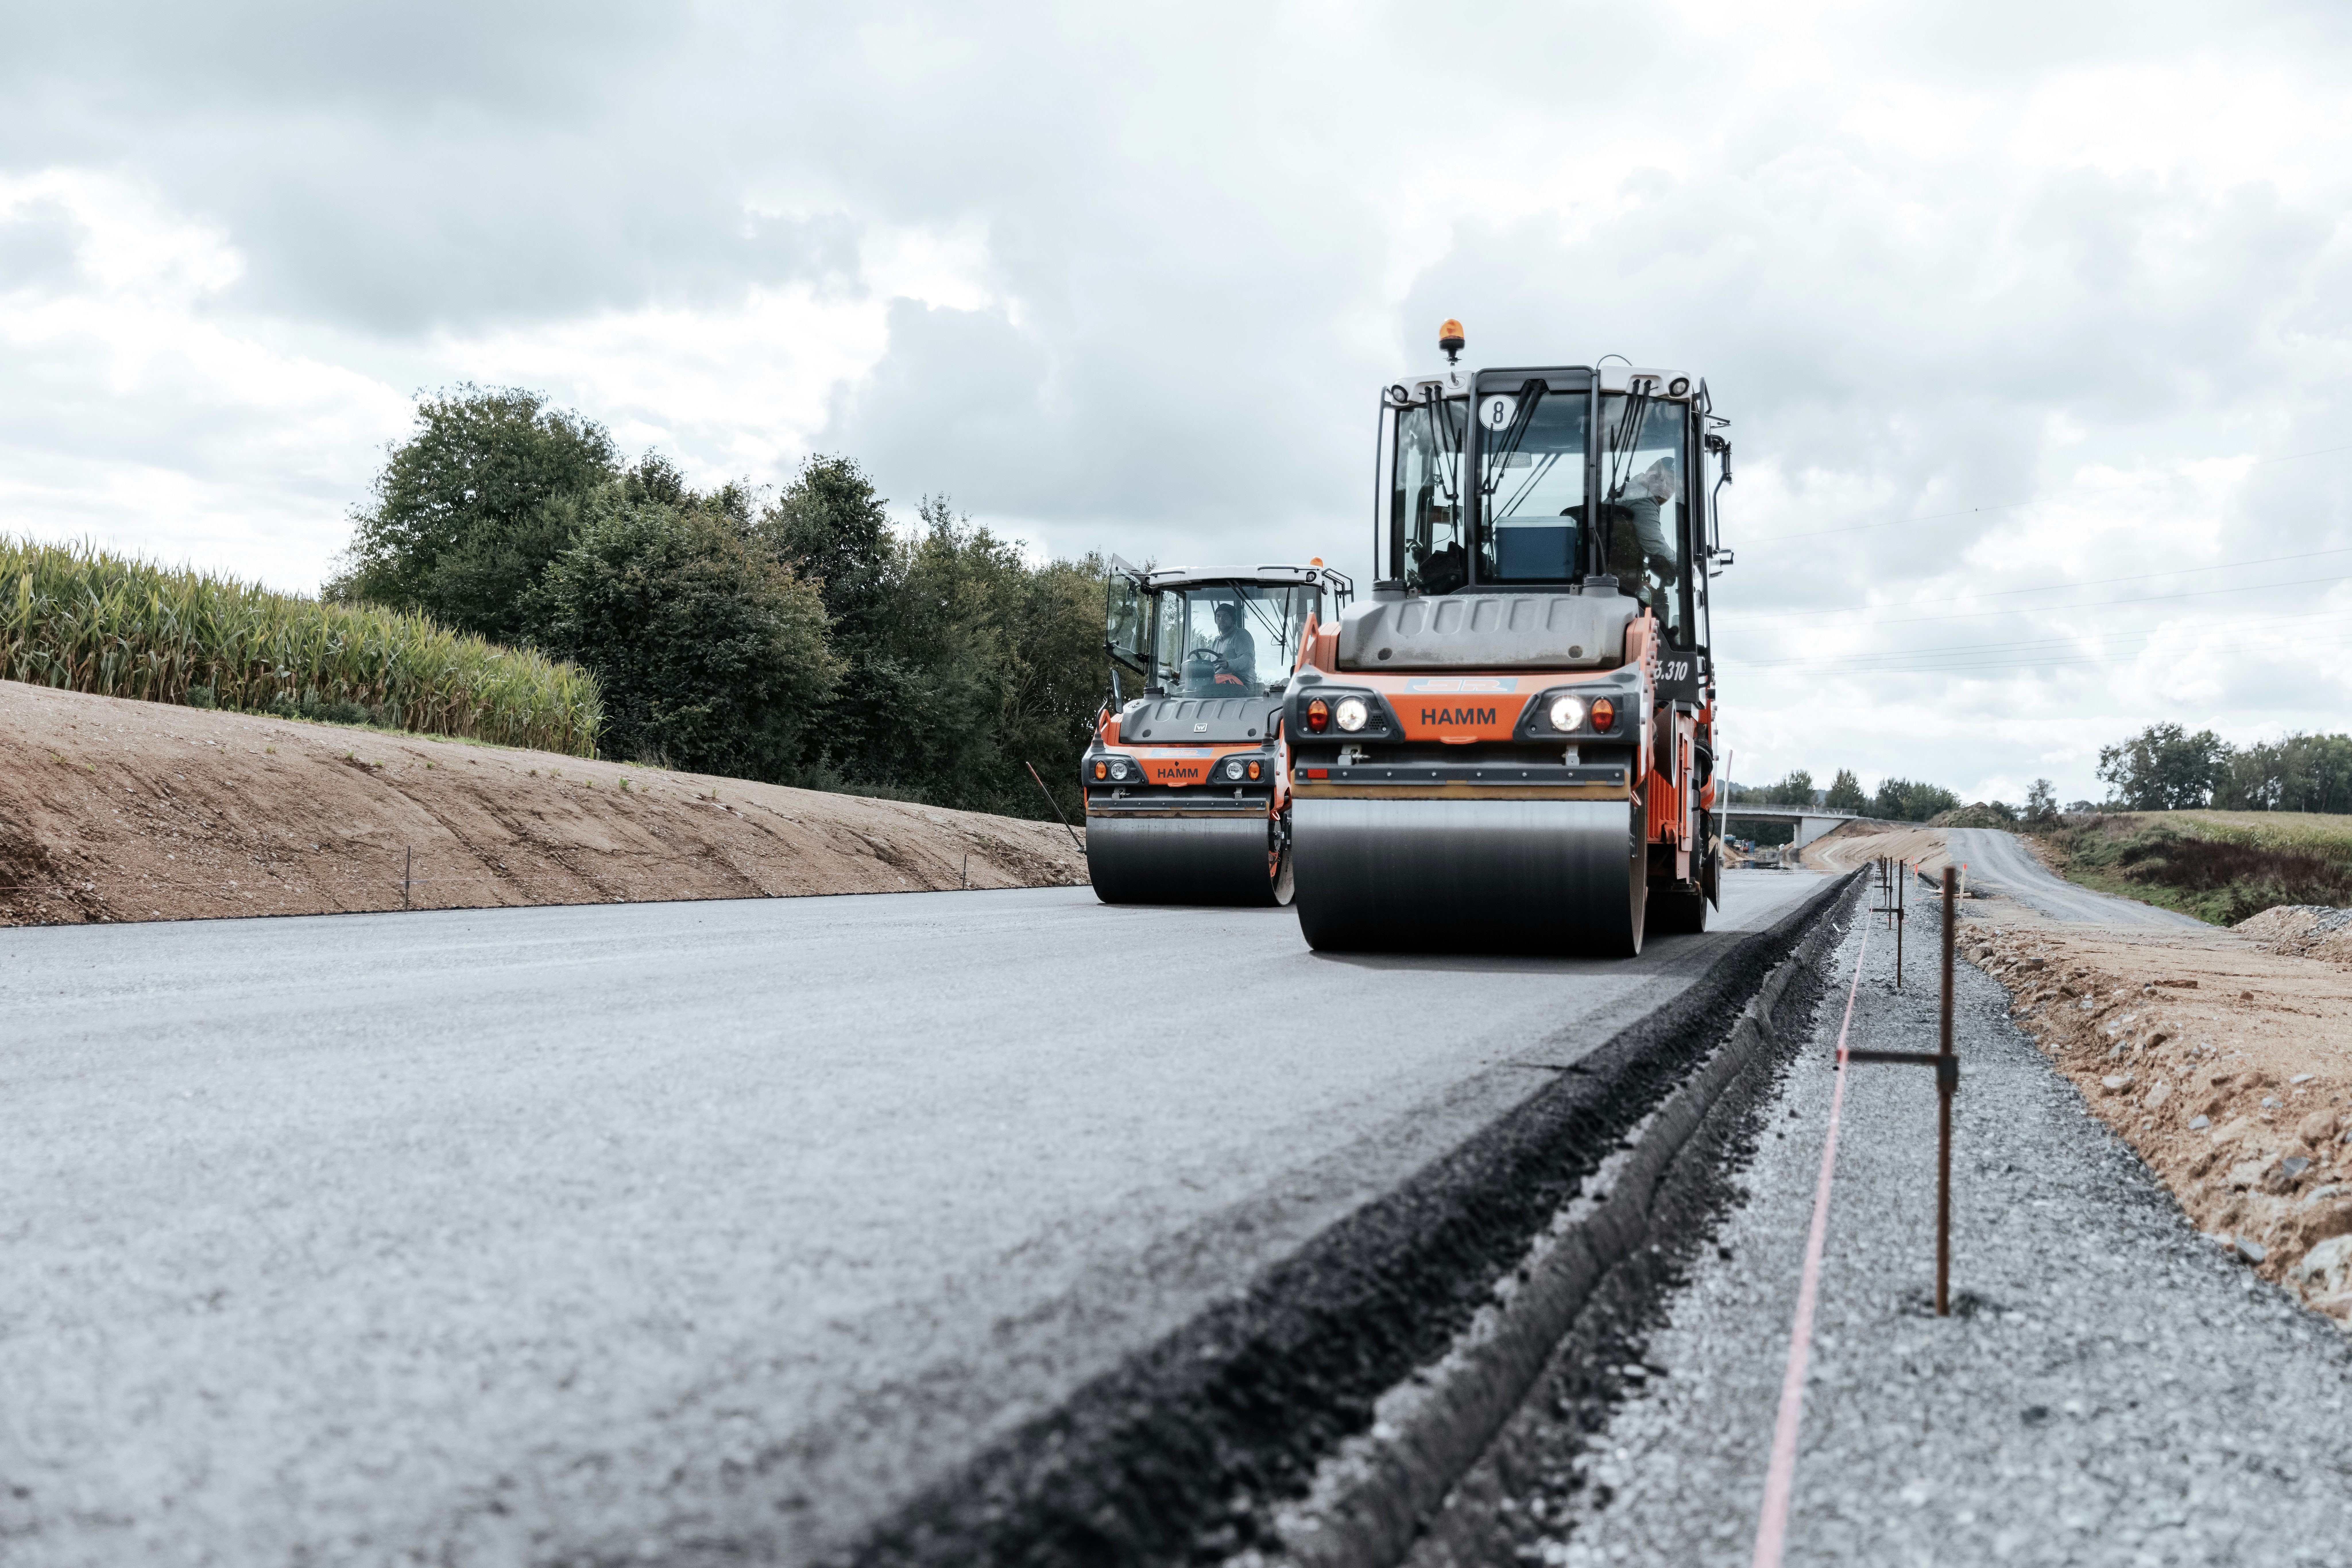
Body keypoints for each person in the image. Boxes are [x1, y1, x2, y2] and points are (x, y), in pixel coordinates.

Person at [1208, 601, 1257, 687]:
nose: (1221, 619)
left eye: (1225, 616)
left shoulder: (1241, 635)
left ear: (1233, 619)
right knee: (1199, 684)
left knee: (1212, 686)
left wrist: (1228, 664)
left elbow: (1248, 659)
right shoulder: (1216, 643)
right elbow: (1207, 663)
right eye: (1218, 616)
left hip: (1242, 680)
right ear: (1215, 620)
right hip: (1220, 679)